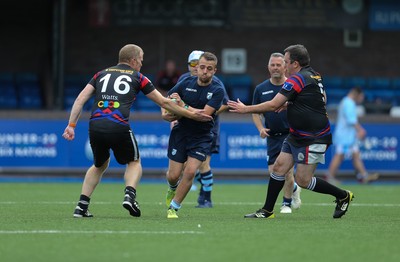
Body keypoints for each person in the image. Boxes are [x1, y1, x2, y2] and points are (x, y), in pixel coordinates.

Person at [63, 44, 212, 218]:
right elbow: (164, 102)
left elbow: (80, 98)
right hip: (118, 125)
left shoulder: (100, 74)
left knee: (99, 165)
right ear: (133, 60)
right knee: (134, 161)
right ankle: (130, 195)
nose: (141, 63)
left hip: (95, 126)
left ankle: (81, 206)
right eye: (140, 59)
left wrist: (71, 125)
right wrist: (191, 114)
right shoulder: (138, 77)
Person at [228, 44, 354, 219]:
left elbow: (273, 104)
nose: (284, 66)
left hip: (314, 137)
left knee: (303, 180)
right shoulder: (314, 75)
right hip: (296, 135)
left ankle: (342, 195)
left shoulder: (296, 79)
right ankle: (267, 210)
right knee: (279, 168)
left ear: (295, 63)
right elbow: (321, 99)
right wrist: (291, 104)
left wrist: (245, 109)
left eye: (286, 62)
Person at [161, 52, 225, 218]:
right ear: (196, 67)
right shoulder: (185, 82)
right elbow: (166, 100)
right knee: (174, 175)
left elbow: (204, 115)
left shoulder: (217, 90)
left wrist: (181, 106)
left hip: (201, 137)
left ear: (214, 71)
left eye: (209, 69)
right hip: (180, 133)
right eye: (202, 67)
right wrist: (165, 113)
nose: (204, 71)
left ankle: (173, 207)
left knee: (189, 172)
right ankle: (172, 189)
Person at [177, 50, 230, 208]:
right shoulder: (183, 80)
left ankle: (206, 197)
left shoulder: (216, 83)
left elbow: (225, 103)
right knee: (185, 166)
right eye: (193, 64)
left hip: (208, 129)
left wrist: (208, 112)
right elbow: (172, 102)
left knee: (203, 164)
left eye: (197, 64)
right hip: (185, 128)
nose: (196, 68)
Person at [252, 52, 301, 214]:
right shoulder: (260, 89)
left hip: (290, 136)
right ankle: (294, 188)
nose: (275, 68)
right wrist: (260, 128)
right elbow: (255, 112)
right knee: (274, 174)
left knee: (286, 172)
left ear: (285, 67)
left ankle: (286, 204)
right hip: (272, 137)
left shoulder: (293, 86)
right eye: (272, 65)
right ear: (268, 67)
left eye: (278, 64)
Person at [326, 87, 379, 185]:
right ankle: (330, 177)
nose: (362, 99)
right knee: (339, 156)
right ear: (356, 95)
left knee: (356, 155)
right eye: (361, 97)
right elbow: (351, 120)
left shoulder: (347, 102)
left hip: (349, 136)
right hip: (344, 136)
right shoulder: (348, 103)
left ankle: (364, 176)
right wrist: (360, 130)